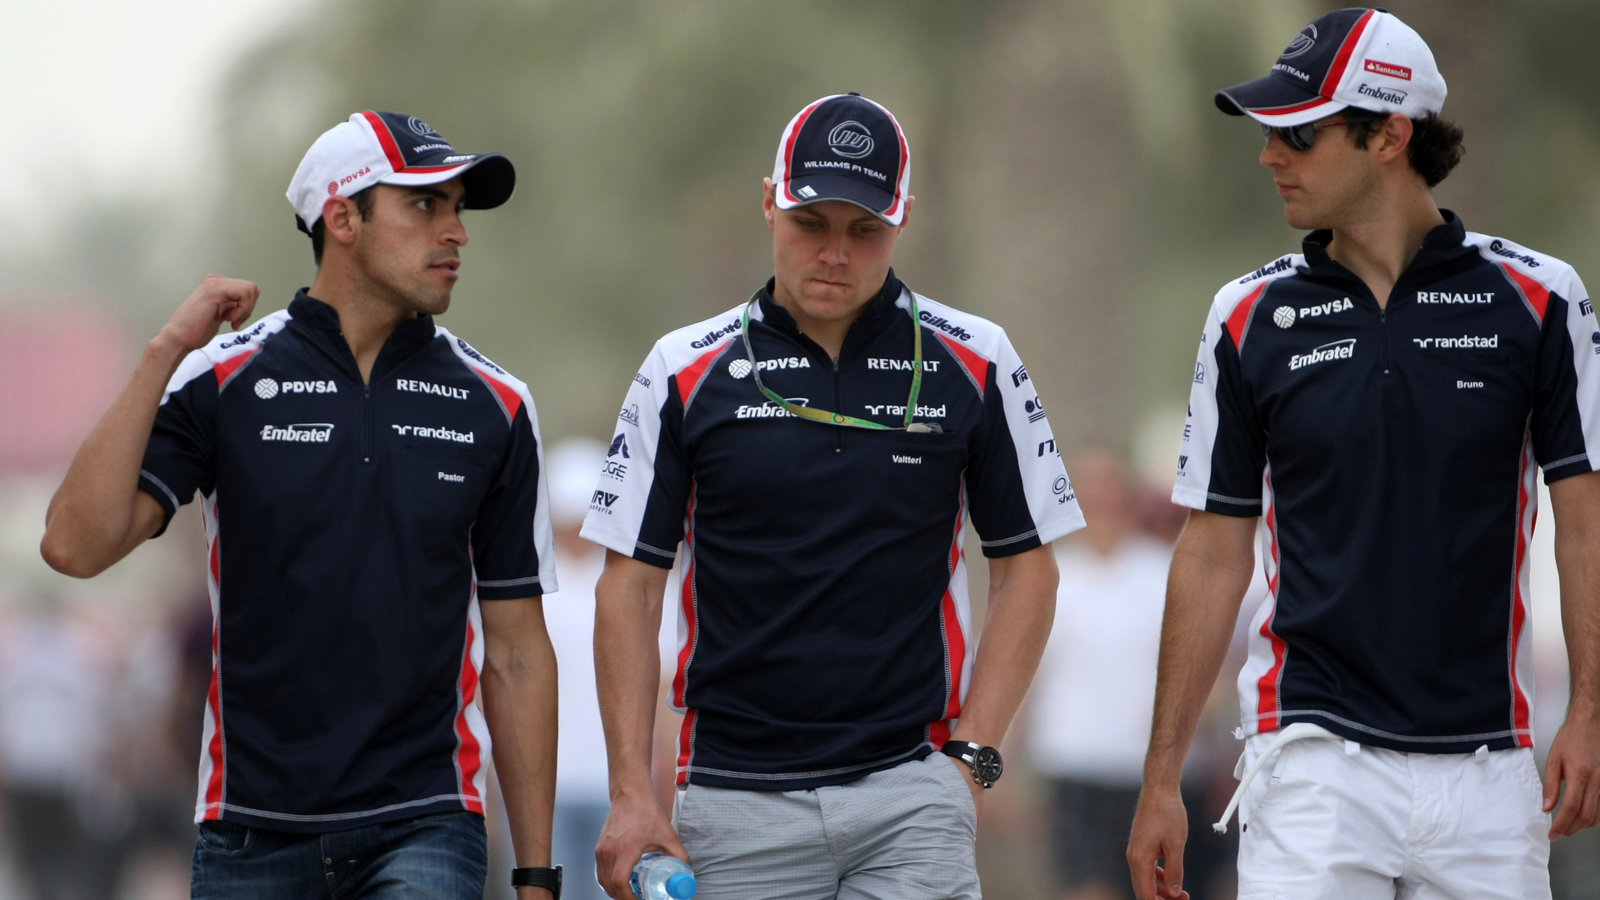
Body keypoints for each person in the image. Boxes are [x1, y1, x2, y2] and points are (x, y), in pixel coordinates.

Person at [1127, 9, 1600, 900]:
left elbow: (1585, 527)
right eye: (1270, 133)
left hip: (1492, 767)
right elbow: (1212, 552)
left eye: (1299, 134)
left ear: (1390, 135)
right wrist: (1162, 779)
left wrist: (1592, 711)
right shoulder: (1246, 315)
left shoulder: (1542, 299)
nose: (1271, 155)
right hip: (1310, 762)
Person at [39, 110, 564, 899]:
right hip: (251, 831)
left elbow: (518, 652)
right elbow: (74, 547)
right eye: (426, 205)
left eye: (458, 208)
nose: (456, 232)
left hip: (426, 822)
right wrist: (163, 354)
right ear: (343, 219)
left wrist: (536, 875)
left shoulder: (499, 404)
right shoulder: (221, 378)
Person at [581, 92, 1085, 900]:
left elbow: (1029, 569)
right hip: (734, 804)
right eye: (811, 222)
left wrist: (974, 760)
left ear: (903, 220)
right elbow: (630, 588)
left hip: (913, 798)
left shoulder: (978, 358)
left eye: (866, 230)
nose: (835, 253)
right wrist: (632, 793)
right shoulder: (681, 368)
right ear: (769, 204)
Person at [1019, 448, 1230, 900]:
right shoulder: (1051, 578)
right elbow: (1023, 679)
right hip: (1077, 769)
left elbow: (1209, 669)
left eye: (1109, 489)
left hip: (1160, 775)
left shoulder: (1167, 572)